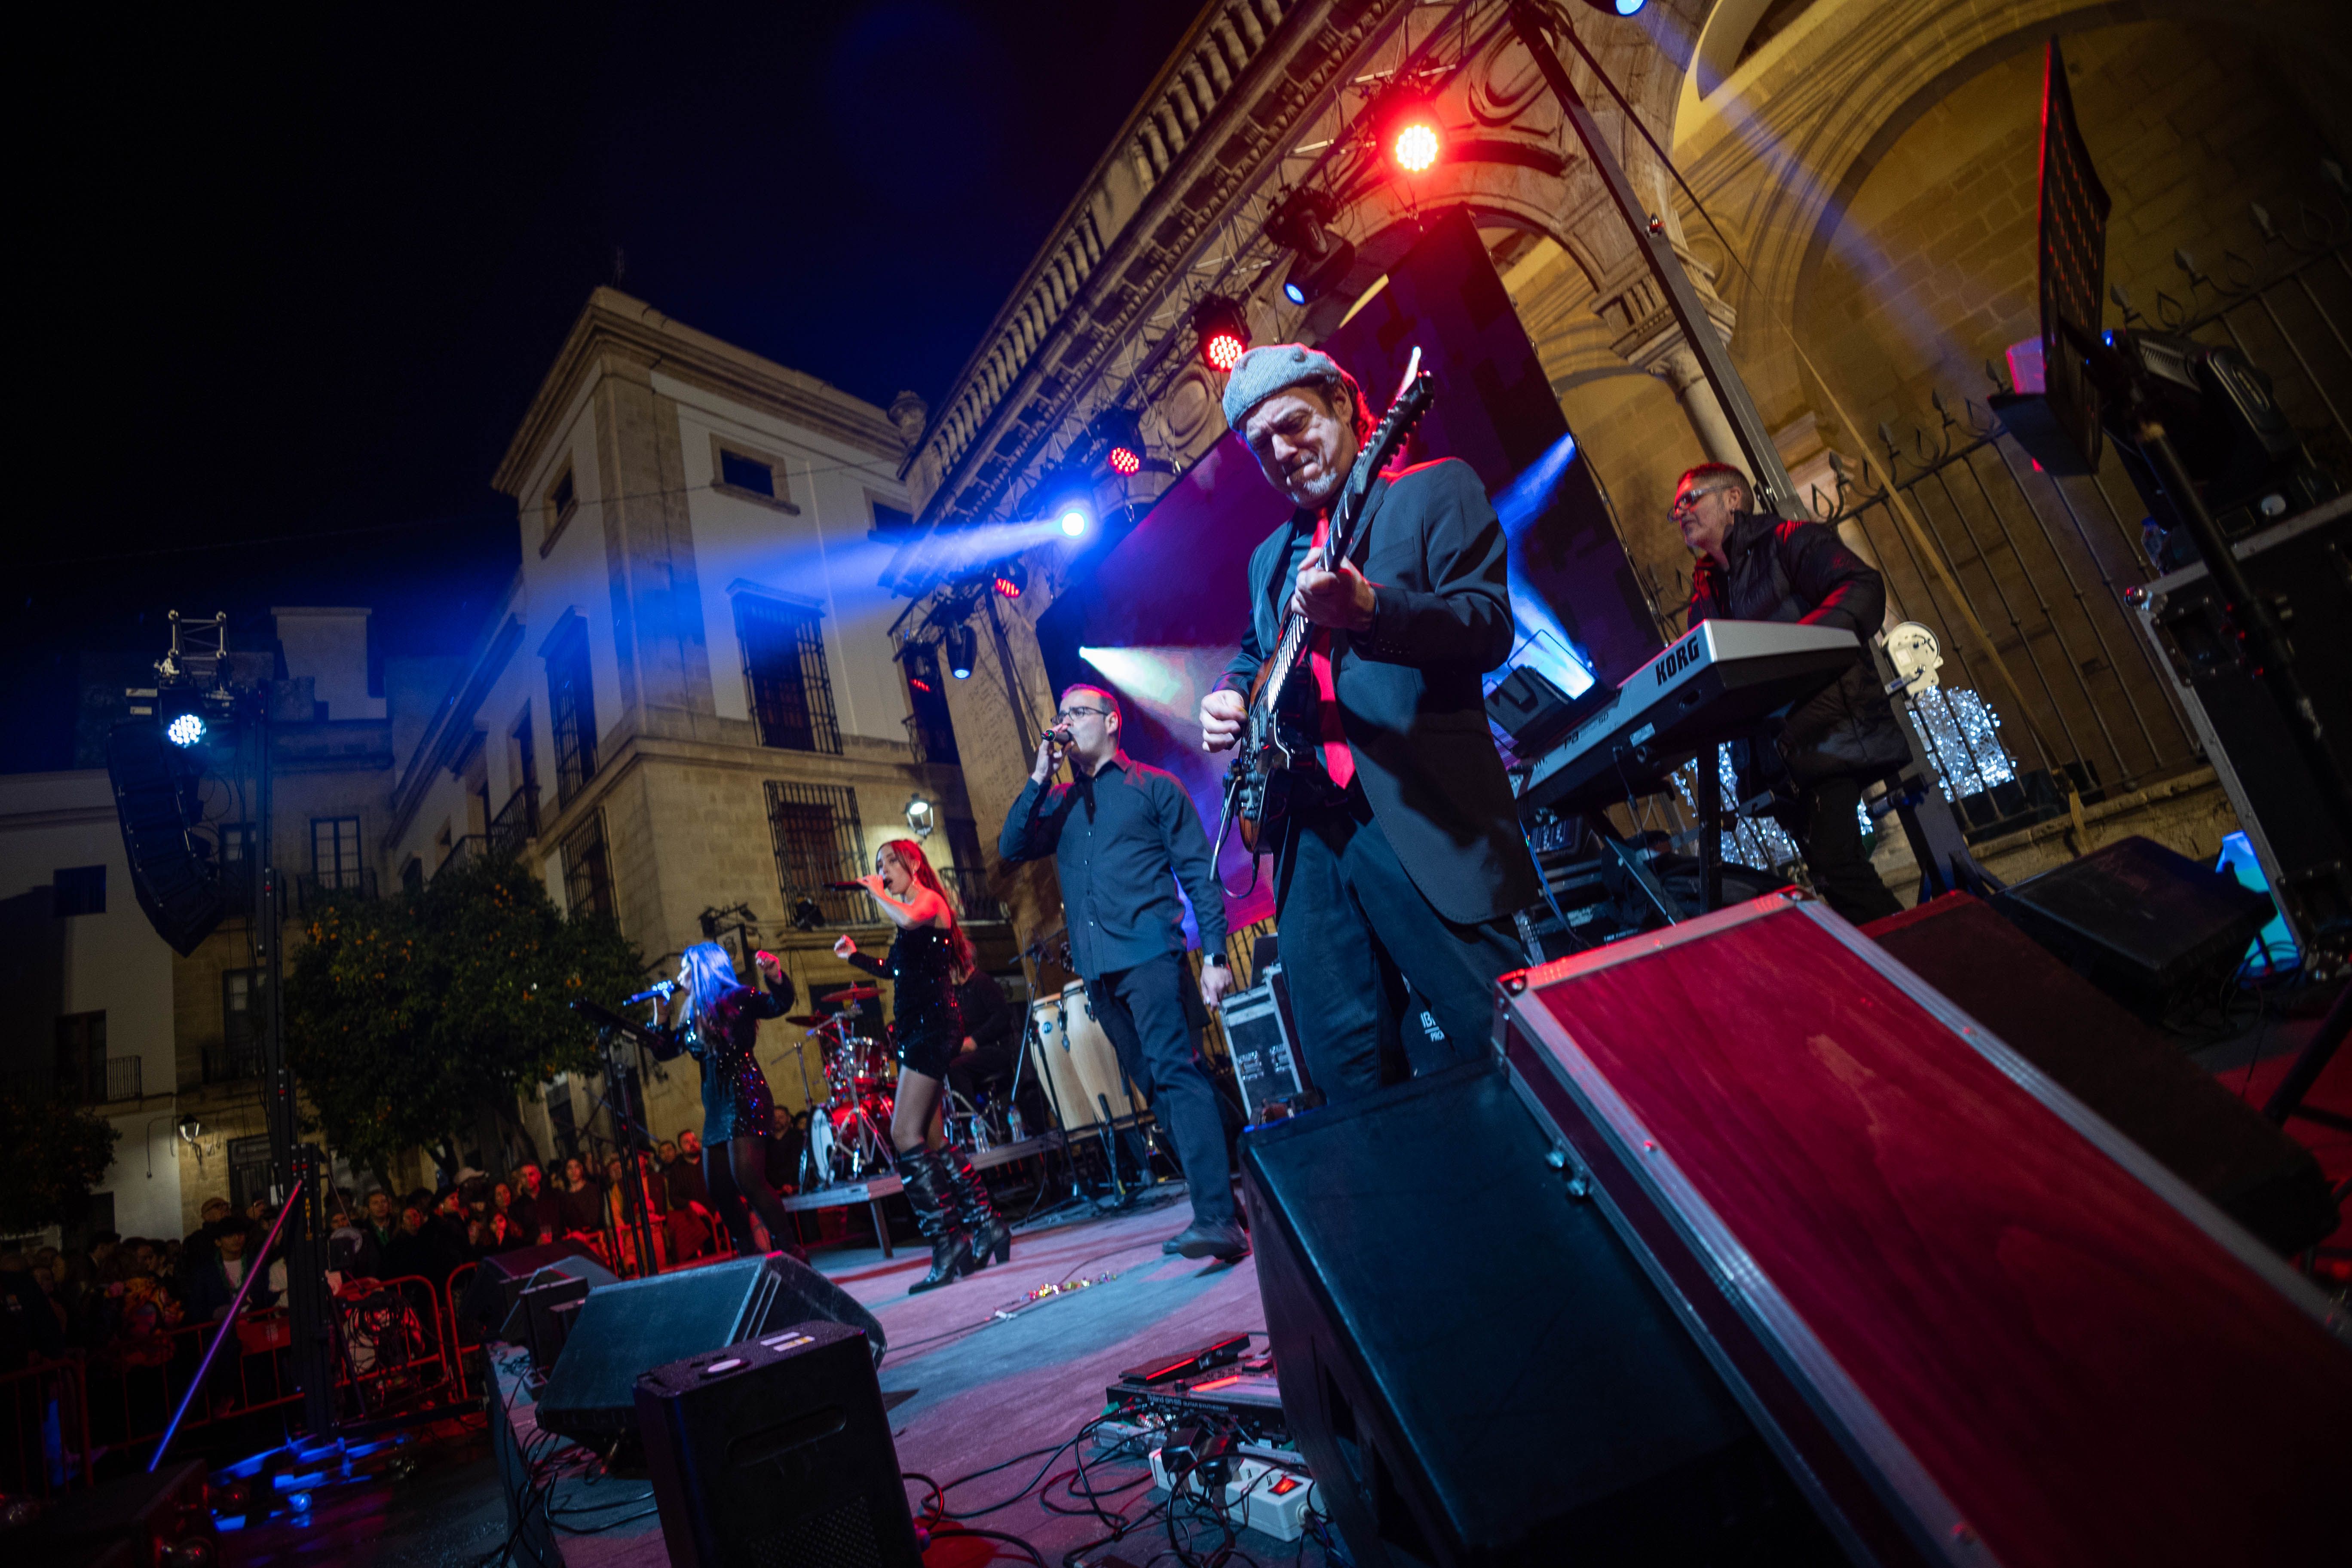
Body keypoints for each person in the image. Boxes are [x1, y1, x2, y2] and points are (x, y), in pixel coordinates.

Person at [1199, 344, 1536, 1104]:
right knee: (1349, 1081)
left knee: (1507, 1052)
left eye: (1293, 425)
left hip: (1415, 814)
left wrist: (1371, 611)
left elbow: (1485, 626)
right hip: (1308, 840)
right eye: (1261, 447)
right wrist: (1227, 694)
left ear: (1345, 407)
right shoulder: (1268, 560)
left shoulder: (1432, 492)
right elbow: (1255, 653)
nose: (1281, 453)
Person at [1002, 686, 1246, 1261]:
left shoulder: (1155, 787)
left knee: (1176, 1075)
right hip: (1098, 971)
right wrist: (1040, 776)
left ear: (1111, 722)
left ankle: (1216, 1218)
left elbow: (1198, 872)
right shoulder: (1060, 802)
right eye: (1060, 715)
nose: (1065, 723)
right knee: (1158, 1088)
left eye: (1077, 713)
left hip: (1150, 957)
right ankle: (1236, 1189)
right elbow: (1013, 845)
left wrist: (1214, 956)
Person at [1672, 462, 1907, 924]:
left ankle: (1926, 968)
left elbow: (1861, 587)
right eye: (1675, 507)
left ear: (1733, 499)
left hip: (1828, 734)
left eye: (1691, 498)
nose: (1680, 511)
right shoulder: (1704, 594)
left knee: (1839, 870)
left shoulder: (1790, 540)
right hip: (1779, 762)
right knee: (1832, 877)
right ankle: (1907, 967)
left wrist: (1796, 655)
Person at [833, 838, 1011, 1291]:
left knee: (901, 1133)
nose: (882, 871)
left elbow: (910, 916)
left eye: (888, 863)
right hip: (917, 1029)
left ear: (912, 862)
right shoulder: (907, 919)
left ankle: (948, 1242)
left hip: (933, 1028)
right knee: (928, 1136)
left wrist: (877, 892)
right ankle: (985, 1225)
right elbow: (895, 967)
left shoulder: (928, 902)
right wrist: (853, 956)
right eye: (877, 866)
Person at [649, 944, 808, 1262]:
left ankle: (792, 1252)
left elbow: (779, 1004)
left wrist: (774, 975)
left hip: (746, 1096)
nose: (680, 976)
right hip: (717, 1107)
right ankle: (749, 1256)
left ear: (704, 968)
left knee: (749, 1180)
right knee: (719, 1188)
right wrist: (661, 1015)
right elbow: (664, 1051)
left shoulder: (736, 998)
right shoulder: (692, 1012)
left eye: (686, 968)